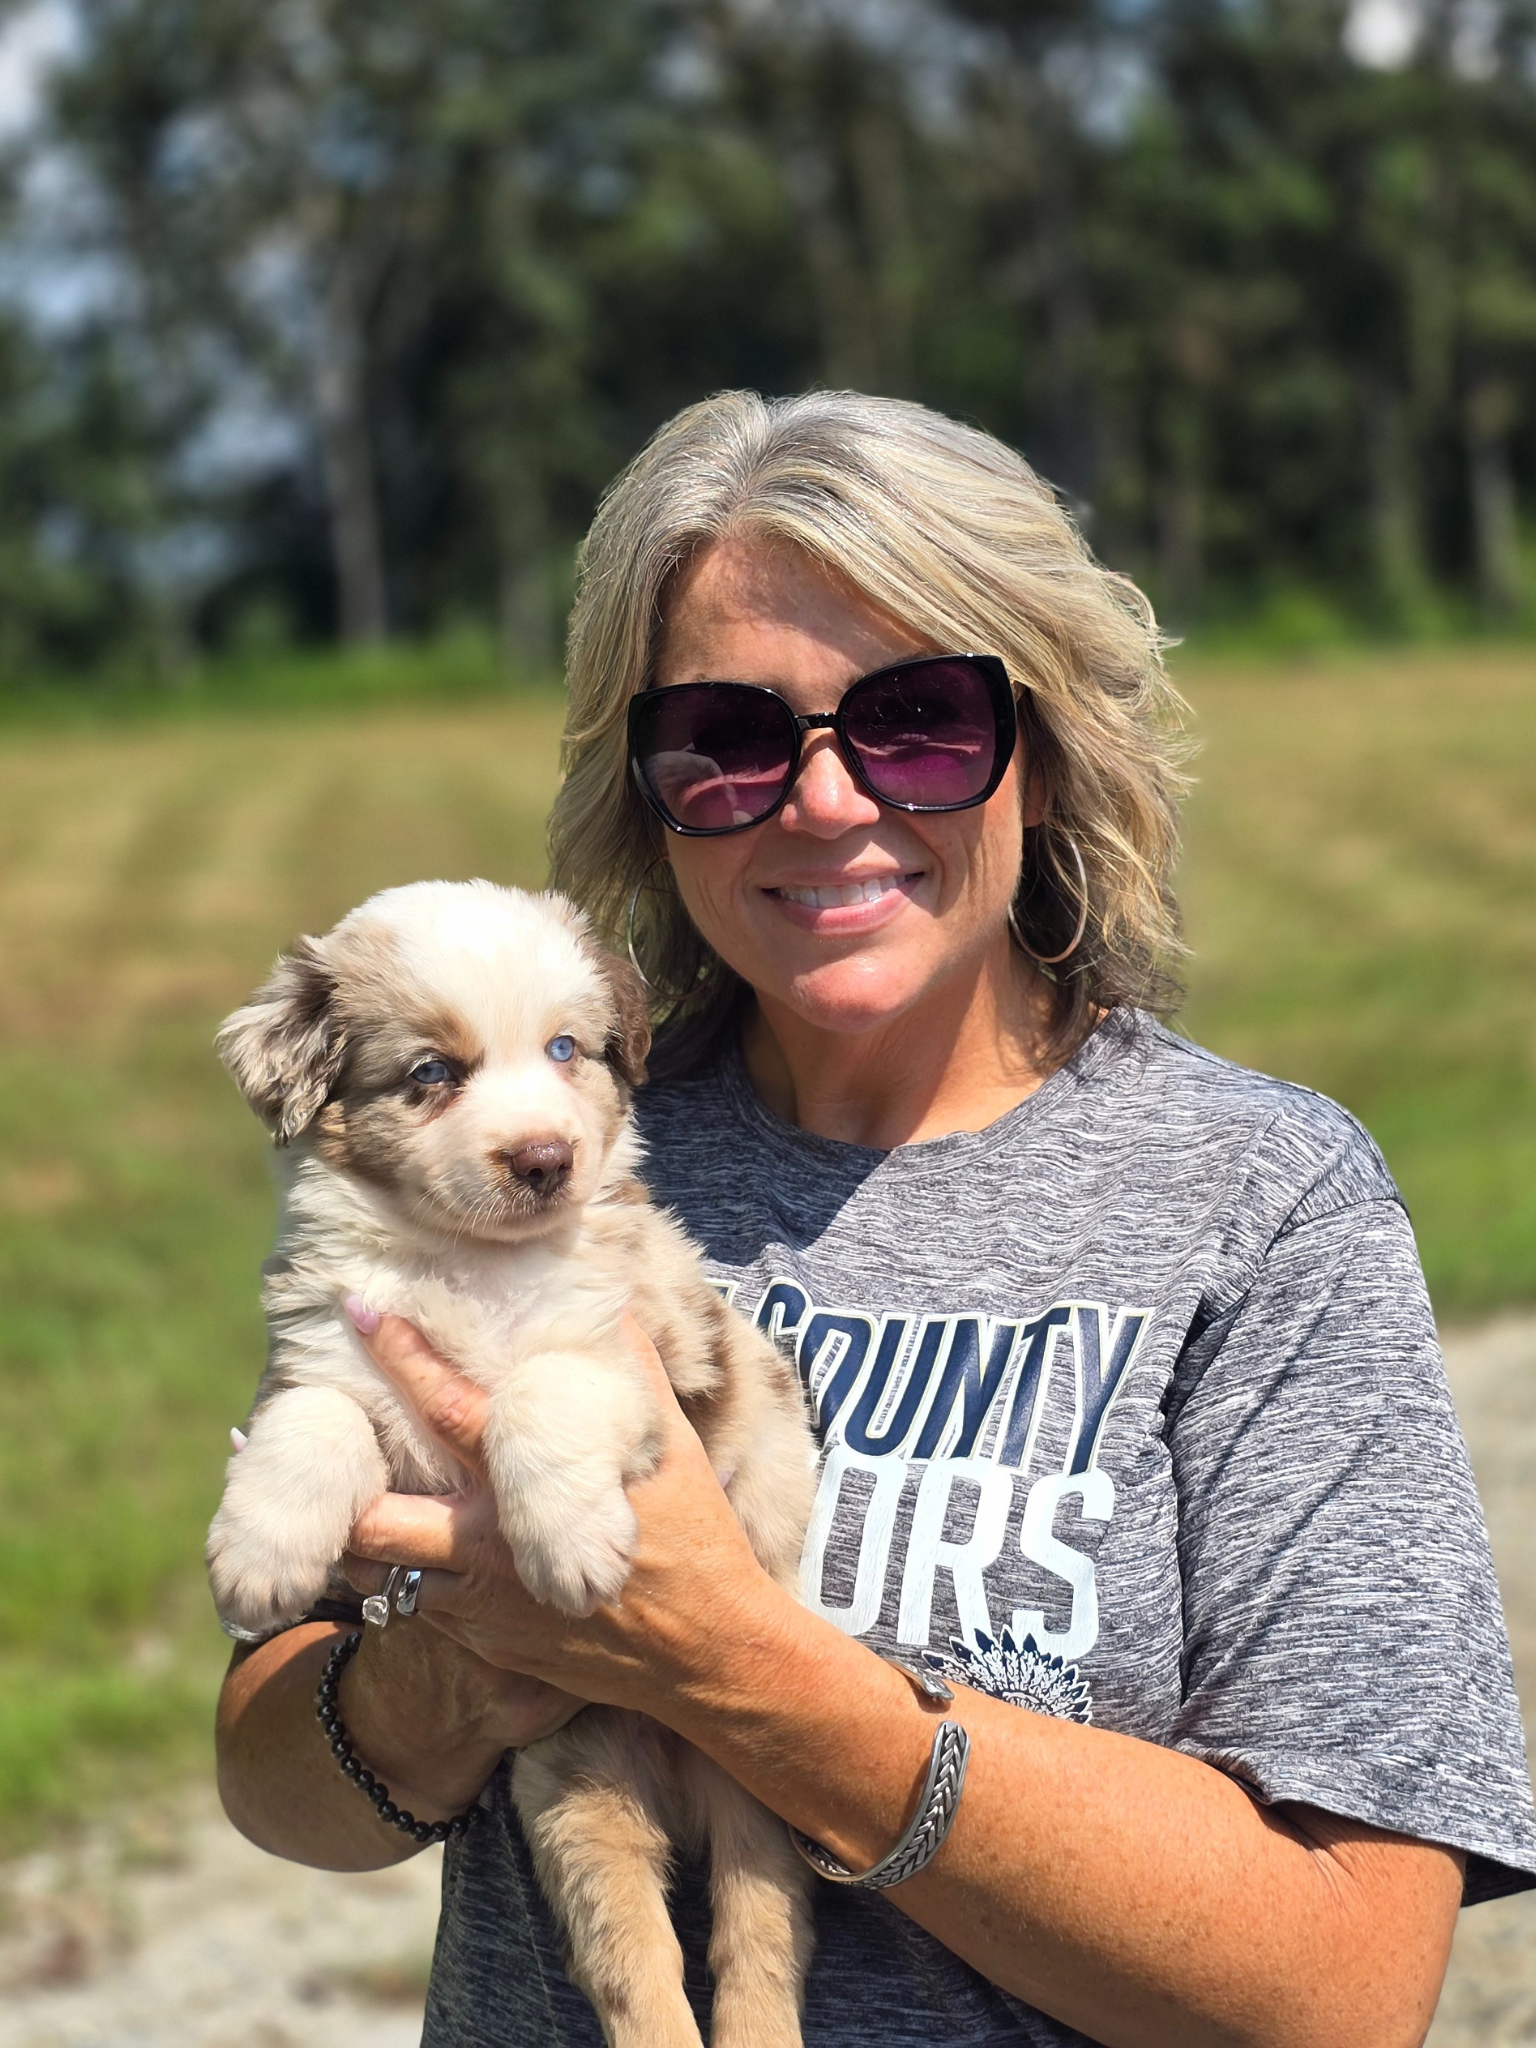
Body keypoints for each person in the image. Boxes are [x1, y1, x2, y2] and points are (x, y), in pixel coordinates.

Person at [216, 390, 1536, 2048]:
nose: (825, 803)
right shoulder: (546, 1165)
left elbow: (1345, 1995)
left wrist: (743, 1673)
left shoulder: (1262, 1207)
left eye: (918, 722)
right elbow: (275, 1777)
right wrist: (448, 1678)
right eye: (728, 740)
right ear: (649, 796)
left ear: (1048, 758)